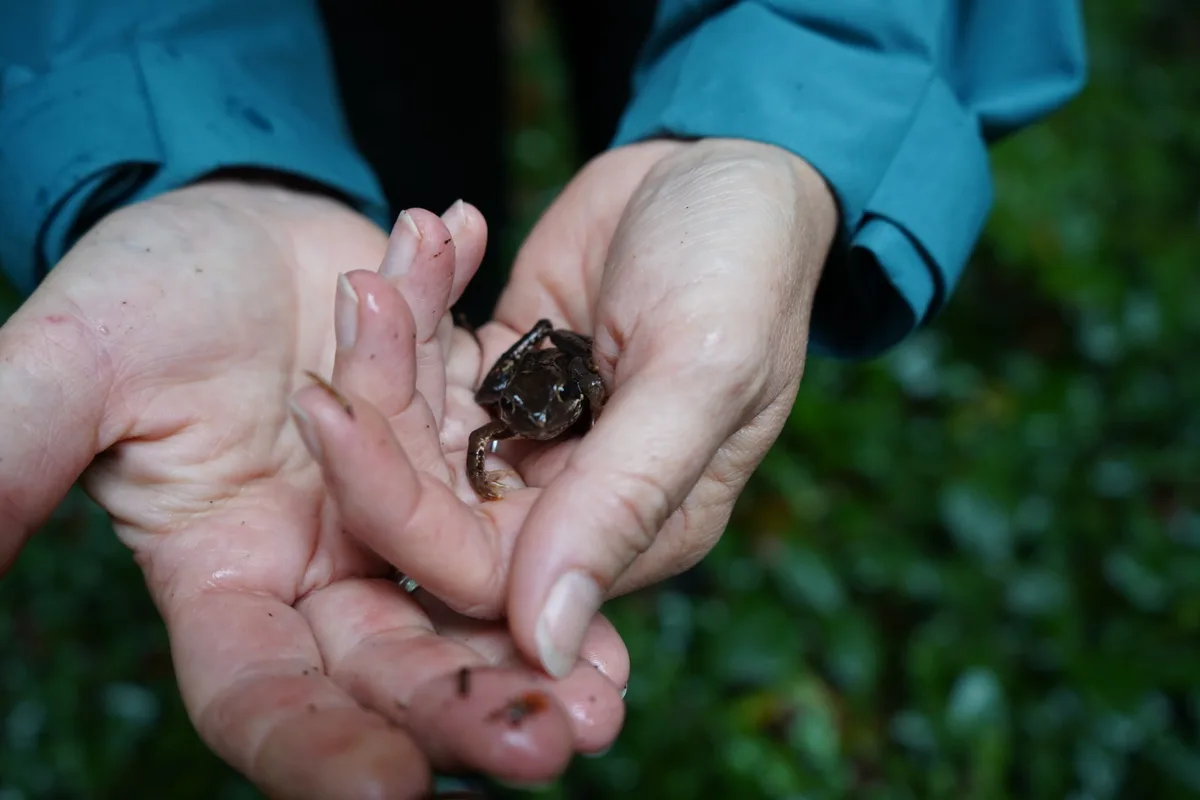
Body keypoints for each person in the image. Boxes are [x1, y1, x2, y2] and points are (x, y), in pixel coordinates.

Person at [0, 2, 1087, 797]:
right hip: (490, 335)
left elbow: (564, 372)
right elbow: (502, 410)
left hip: (555, 348)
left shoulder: (558, 374)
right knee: (410, 133)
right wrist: (200, 154)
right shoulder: (504, 409)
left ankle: (677, 138)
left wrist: (767, 135)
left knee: (619, 151)